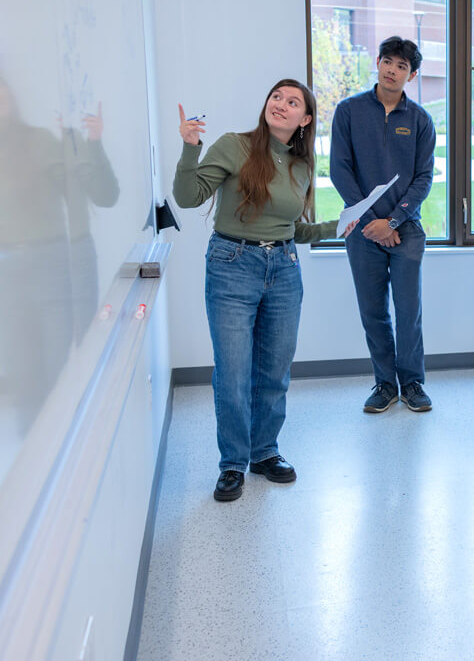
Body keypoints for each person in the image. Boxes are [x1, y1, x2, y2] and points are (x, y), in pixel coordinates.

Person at [173, 80, 350, 502]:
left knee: (274, 372)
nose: (282, 105)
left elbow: (294, 228)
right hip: (232, 265)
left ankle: (264, 452)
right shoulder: (234, 145)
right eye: (277, 97)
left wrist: (338, 227)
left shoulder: (301, 166)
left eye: (293, 102)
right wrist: (189, 147)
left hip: (284, 268)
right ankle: (232, 463)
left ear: (305, 119)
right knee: (233, 373)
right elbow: (187, 196)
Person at [330, 36, 437, 414]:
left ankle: (411, 383)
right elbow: (339, 169)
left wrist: (393, 220)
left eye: (402, 66)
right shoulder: (348, 111)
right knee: (372, 310)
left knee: (409, 311)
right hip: (361, 230)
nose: (393, 70)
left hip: (405, 229)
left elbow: (424, 178)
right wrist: (370, 220)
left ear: (412, 74)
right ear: (377, 62)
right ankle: (384, 383)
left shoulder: (421, 120)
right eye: (388, 61)